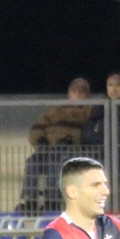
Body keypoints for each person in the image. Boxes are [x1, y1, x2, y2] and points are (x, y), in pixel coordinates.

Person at [20, 78, 94, 214]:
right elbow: (36, 128)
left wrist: (70, 140)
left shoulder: (89, 110)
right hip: (48, 148)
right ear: (69, 93)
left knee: (56, 161)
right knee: (33, 161)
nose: (77, 94)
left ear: (87, 95)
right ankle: (29, 200)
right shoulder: (56, 110)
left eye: (81, 91)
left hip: (72, 150)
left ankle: (52, 201)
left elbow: (90, 133)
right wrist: (40, 141)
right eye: (74, 91)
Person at [82, 71, 120, 147]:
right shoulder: (99, 107)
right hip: (100, 152)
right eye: (110, 85)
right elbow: (86, 135)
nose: (114, 89)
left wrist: (99, 128)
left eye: (118, 85)